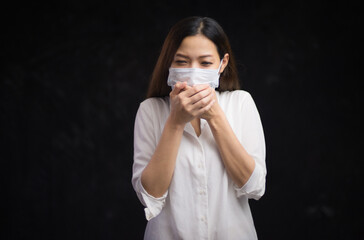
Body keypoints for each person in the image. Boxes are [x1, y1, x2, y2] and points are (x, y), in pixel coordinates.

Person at [132, 16, 266, 240]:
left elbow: (254, 186)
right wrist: (175, 122)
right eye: (182, 62)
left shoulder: (240, 103)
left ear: (222, 64)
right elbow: (150, 195)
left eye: (205, 63)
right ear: (169, 63)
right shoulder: (150, 111)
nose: (193, 72)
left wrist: (214, 116)